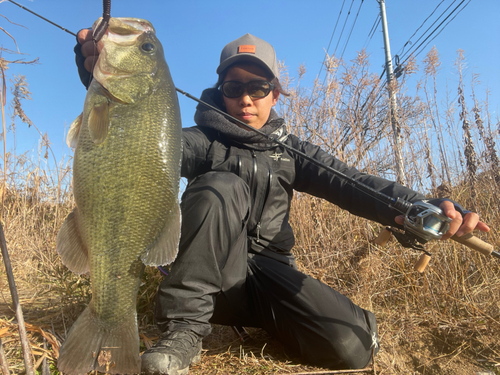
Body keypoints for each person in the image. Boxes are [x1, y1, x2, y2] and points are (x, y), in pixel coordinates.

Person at [75, 30, 490, 375]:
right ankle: (184, 329)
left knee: (353, 348)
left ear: (276, 93)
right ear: (221, 93)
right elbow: (139, 147)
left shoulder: (293, 152)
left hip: (270, 275)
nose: (246, 98)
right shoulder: (199, 140)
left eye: (258, 87)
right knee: (221, 186)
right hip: (212, 278)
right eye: (234, 87)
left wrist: (423, 206)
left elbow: (355, 184)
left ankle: (279, 323)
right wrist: (103, 84)